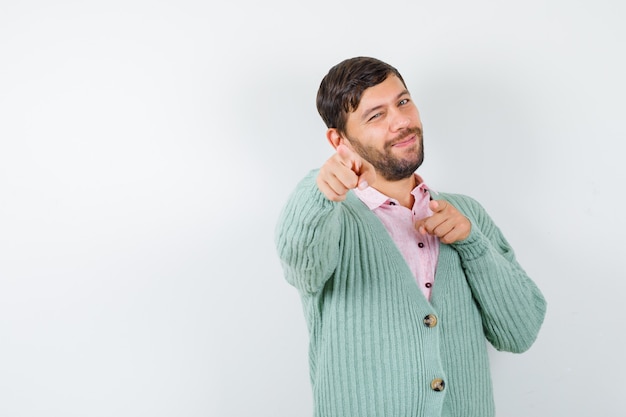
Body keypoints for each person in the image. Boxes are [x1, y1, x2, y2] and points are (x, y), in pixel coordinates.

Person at [274, 56, 547, 417]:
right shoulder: (329, 217)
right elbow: (300, 264)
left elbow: (520, 332)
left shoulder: (467, 213)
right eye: (376, 115)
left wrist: (472, 244)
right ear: (339, 140)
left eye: (403, 102)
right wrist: (319, 190)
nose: (402, 121)